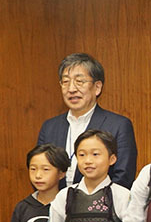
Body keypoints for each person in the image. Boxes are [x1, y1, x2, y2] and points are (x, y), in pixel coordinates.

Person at [37, 53, 137, 189]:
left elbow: (123, 176)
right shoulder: (49, 127)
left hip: (101, 207)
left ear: (97, 87)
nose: (71, 89)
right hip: (56, 207)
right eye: (65, 82)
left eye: (80, 82)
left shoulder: (119, 125)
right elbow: (40, 171)